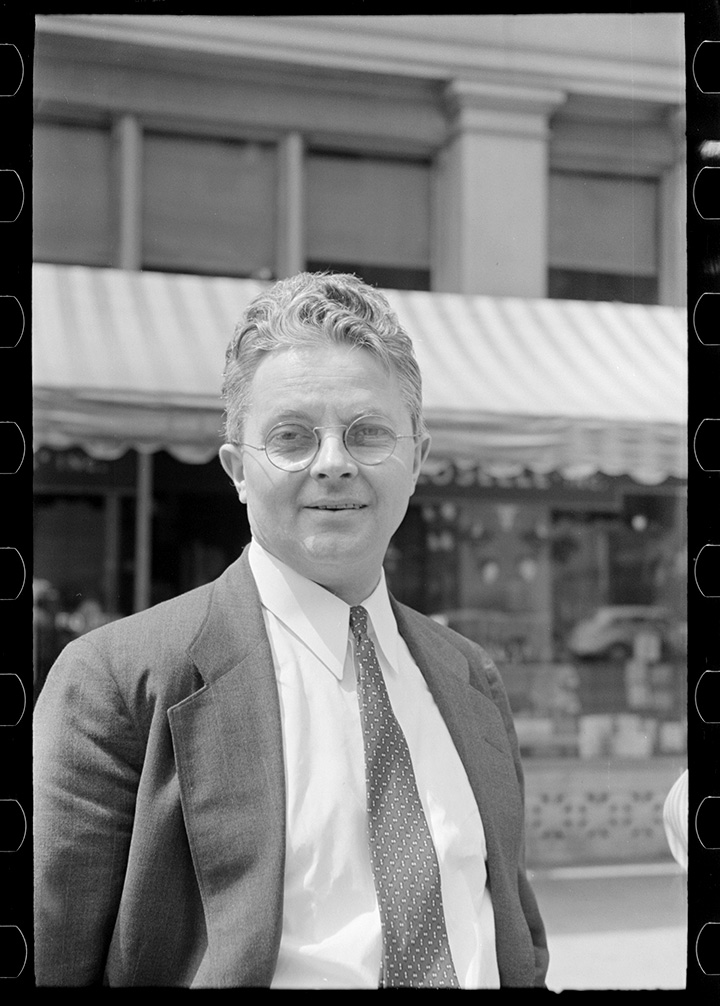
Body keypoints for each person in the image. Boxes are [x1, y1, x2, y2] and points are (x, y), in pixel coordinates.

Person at [33, 272, 548, 988]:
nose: (333, 463)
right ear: (238, 470)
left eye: (367, 433)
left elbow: (512, 934)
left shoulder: (470, 675)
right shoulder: (117, 683)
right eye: (292, 437)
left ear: (418, 460)